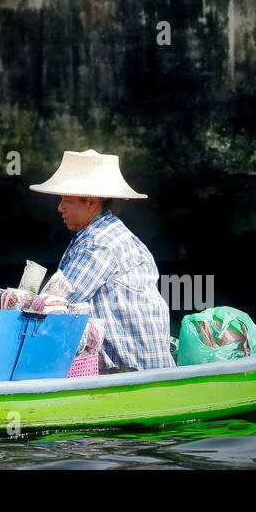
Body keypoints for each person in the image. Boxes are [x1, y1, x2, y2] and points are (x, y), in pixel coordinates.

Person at [30, 150, 174, 373]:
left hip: (133, 371)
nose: (60, 207)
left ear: (91, 202)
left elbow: (51, 305)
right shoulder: (100, 234)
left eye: (66, 200)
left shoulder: (100, 242)